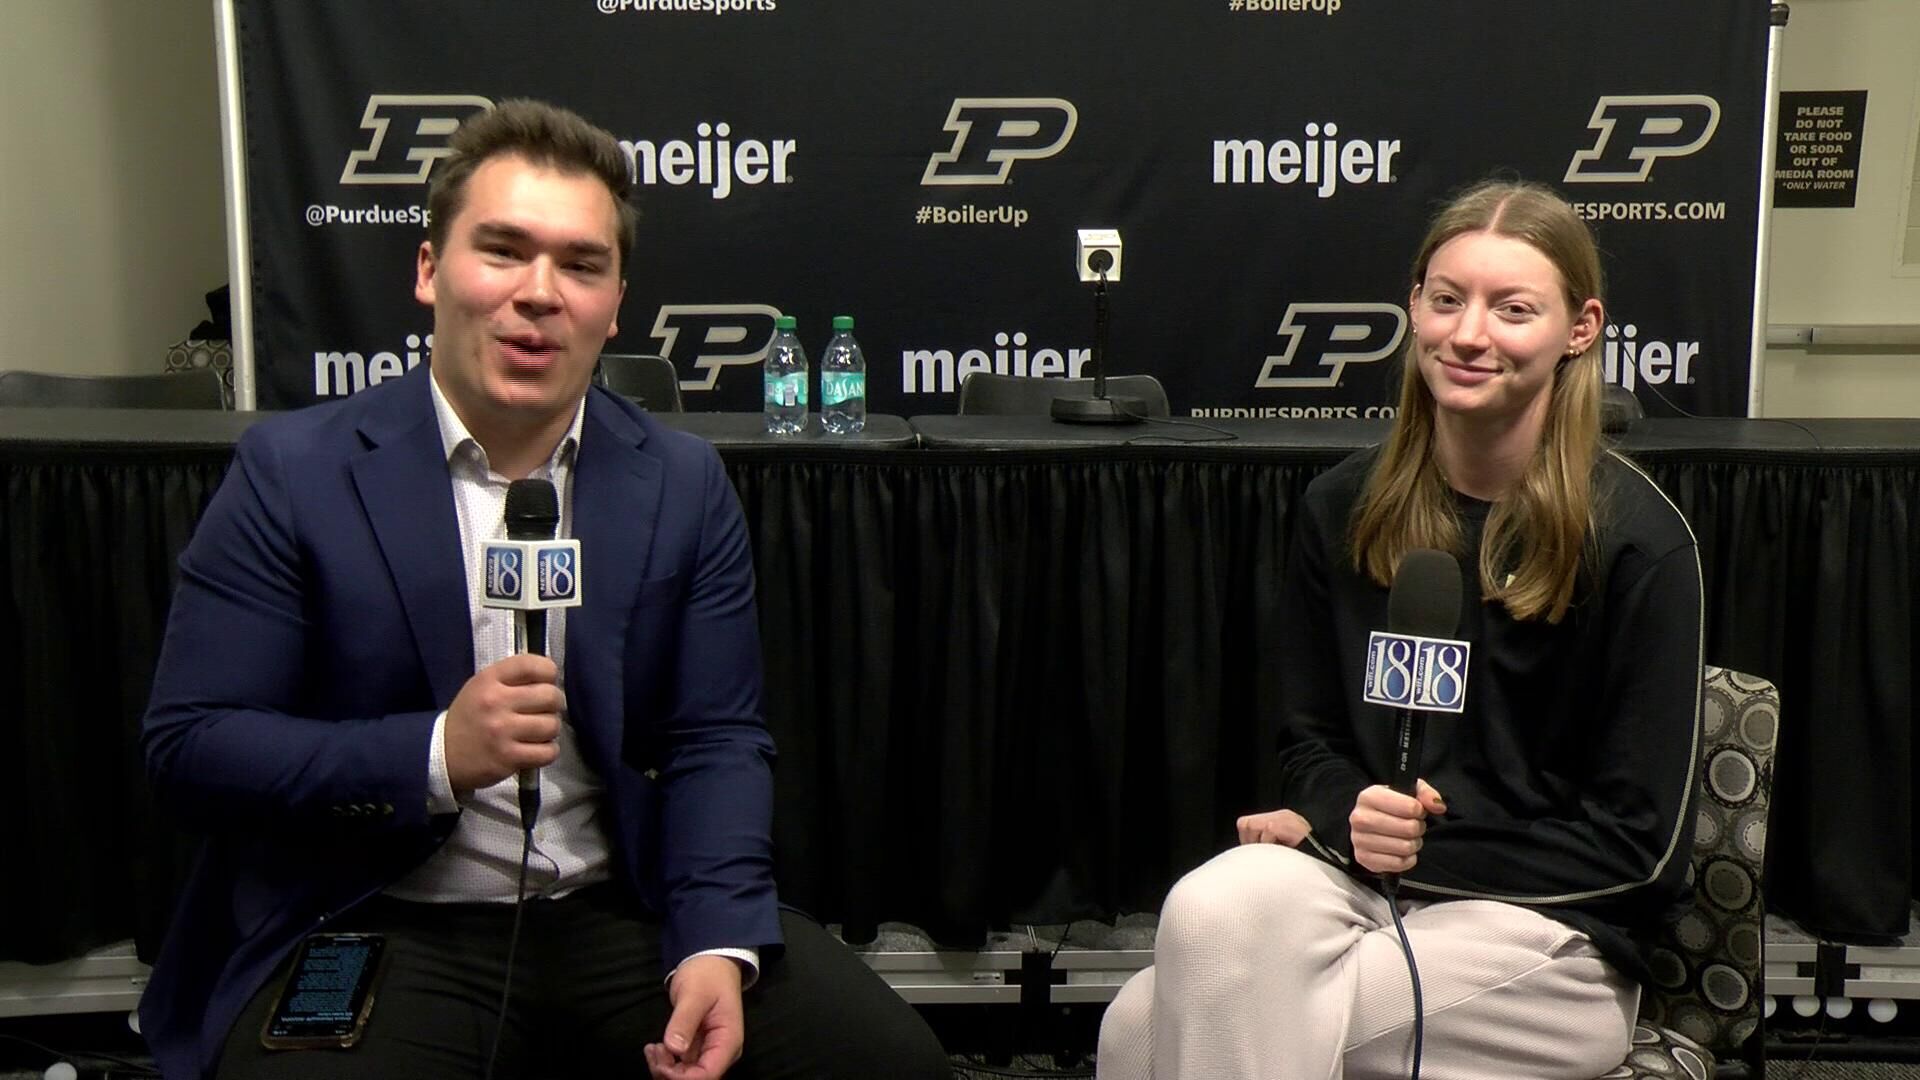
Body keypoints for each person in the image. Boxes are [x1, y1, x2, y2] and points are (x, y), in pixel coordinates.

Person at [140, 99, 951, 1080]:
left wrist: (714, 942)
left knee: (890, 1064)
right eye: (503, 250)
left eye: (580, 264)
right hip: (379, 913)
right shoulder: (293, 472)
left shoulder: (681, 483)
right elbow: (194, 746)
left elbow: (715, 740)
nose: (539, 293)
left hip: (617, 911)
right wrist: (433, 753)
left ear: (616, 303)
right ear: (430, 269)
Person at [1095, 180, 1704, 1080]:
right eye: (1447, 299)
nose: (1469, 334)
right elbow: (1309, 745)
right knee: (1208, 912)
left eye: (1513, 309)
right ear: (1414, 306)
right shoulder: (1342, 505)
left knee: (1148, 1027)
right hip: (1361, 886)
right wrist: (1349, 814)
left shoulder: (1640, 543)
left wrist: (1397, 848)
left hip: (1546, 932)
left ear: (1579, 330)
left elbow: (1640, 853)